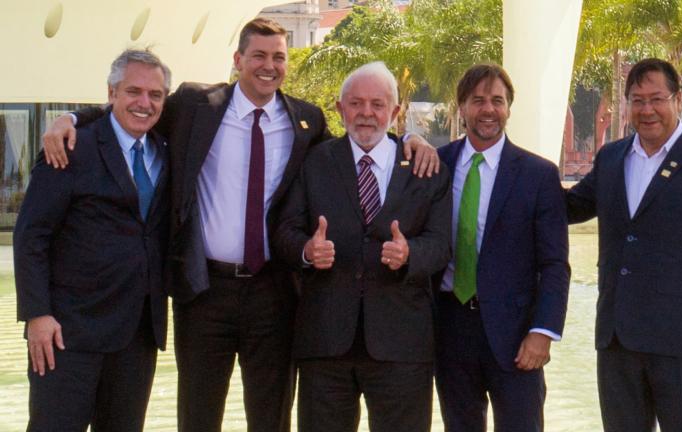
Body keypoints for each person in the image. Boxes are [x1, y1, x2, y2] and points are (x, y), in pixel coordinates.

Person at [41, 17, 439, 432]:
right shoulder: (195, 105)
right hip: (205, 291)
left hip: (274, 292)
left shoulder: (307, 121)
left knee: (271, 416)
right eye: (259, 56)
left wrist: (410, 137)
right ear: (238, 60)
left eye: (279, 57)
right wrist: (70, 118)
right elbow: (136, 109)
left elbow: (363, 143)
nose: (270, 66)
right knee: (199, 415)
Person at [567, 58, 682, 432]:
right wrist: (516, 174)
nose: (646, 110)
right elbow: (567, 208)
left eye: (656, 99)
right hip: (617, 339)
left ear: (677, 100)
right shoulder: (612, 158)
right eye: (637, 100)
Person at [272, 61, 452, 432]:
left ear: (396, 111)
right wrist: (307, 251)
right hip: (325, 343)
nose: (366, 113)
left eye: (377, 104)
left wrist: (410, 255)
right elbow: (284, 231)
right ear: (340, 109)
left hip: (402, 345)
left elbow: (441, 245)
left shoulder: (425, 168)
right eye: (355, 104)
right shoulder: (313, 162)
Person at [14, 48, 171, 431]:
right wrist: (37, 314)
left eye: (155, 95)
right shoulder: (72, 147)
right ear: (111, 92)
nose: (144, 103)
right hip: (68, 334)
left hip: (137, 335)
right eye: (133, 91)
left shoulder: (166, 147)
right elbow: (32, 234)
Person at [433, 63, 570, 432]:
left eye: (497, 100)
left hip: (517, 334)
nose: (488, 109)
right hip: (450, 327)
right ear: (461, 107)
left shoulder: (538, 174)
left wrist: (543, 331)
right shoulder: (436, 165)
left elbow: (555, 263)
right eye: (477, 100)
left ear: (509, 107)